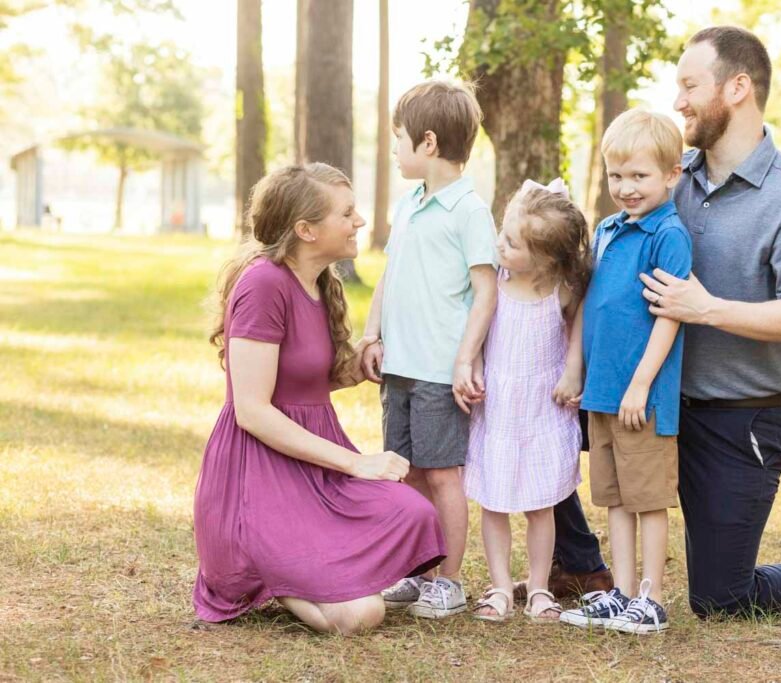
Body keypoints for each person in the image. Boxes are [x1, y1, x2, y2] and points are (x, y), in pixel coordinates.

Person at [637, 25, 781, 618]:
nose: (677, 101)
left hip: (742, 420)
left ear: (737, 88)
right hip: (658, 404)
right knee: (538, 423)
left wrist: (706, 309)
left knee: (720, 601)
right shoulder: (669, 178)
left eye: (689, 85)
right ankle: (581, 561)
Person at [192, 163, 446, 635]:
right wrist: (355, 463)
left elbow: (308, 378)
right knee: (359, 615)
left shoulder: (320, 281)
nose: (360, 222)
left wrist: (360, 363)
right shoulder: (263, 284)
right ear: (305, 230)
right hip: (257, 480)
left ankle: (319, 563)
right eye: (346, 213)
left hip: (315, 472)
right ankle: (260, 569)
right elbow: (252, 410)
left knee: (414, 511)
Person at [361, 80, 498, 619]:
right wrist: (372, 334)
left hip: (441, 372)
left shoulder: (468, 209)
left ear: (429, 143)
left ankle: (450, 580)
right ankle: (414, 573)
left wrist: (465, 358)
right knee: (407, 472)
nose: (394, 150)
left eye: (399, 140)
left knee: (443, 474)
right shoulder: (409, 205)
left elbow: (486, 290)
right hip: (399, 368)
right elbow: (390, 275)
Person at [560, 109, 692, 635]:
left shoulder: (669, 235)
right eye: (617, 176)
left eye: (639, 176)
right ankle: (620, 591)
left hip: (643, 396)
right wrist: (578, 373)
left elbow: (670, 315)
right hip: (602, 392)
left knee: (648, 498)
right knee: (614, 497)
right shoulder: (609, 229)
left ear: (671, 174)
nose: (626, 187)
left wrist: (640, 383)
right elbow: (592, 306)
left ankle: (652, 597)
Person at [461, 179, 591, 623]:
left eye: (512, 243)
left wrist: (574, 372)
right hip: (498, 403)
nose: (500, 243)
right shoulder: (494, 281)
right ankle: (499, 587)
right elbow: (476, 328)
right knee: (493, 502)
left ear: (545, 259)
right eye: (504, 233)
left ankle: (537, 587)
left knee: (541, 504)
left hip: (544, 405)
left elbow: (577, 329)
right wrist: (473, 362)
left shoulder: (562, 288)